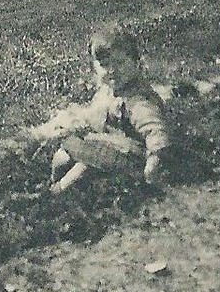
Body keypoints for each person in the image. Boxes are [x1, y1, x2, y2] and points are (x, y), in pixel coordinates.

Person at [30, 21, 170, 194]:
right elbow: (95, 114)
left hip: (130, 156)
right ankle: (52, 182)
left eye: (120, 62)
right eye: (105, 65)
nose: (112, 70)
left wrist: (153, 162)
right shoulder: (108, 91)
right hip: (109, 144)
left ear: (136, 63)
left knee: (82, 168)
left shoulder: (138, 99)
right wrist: (80, 123)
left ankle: (56, 192)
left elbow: (155, 129)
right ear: (95, 68)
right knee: (62, 155)